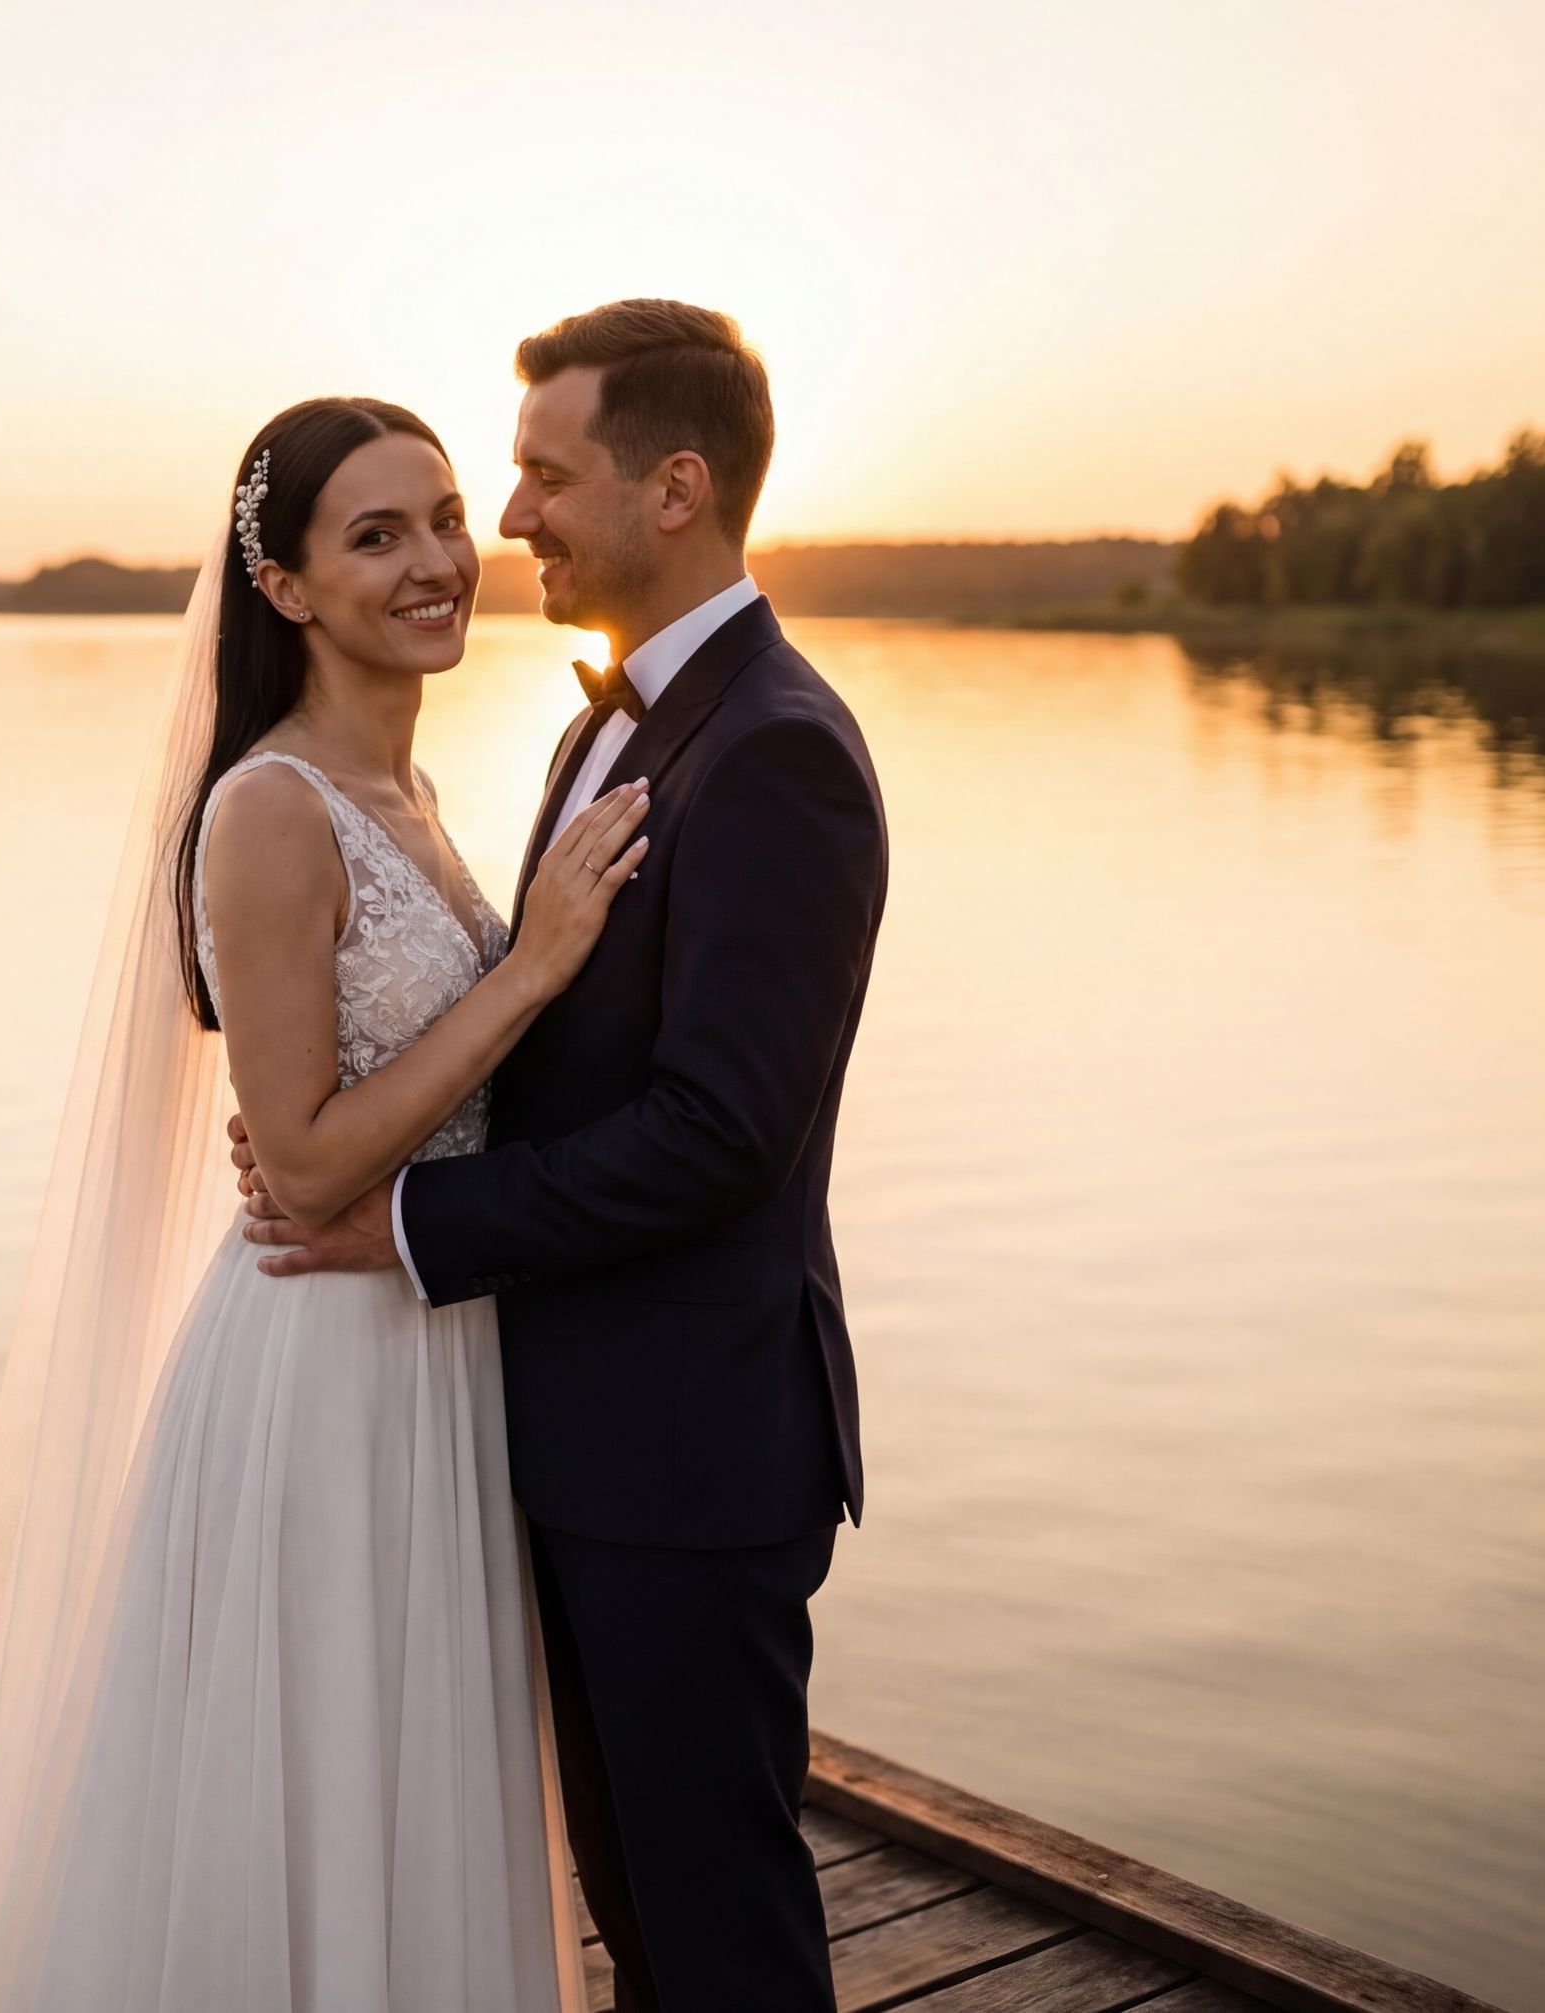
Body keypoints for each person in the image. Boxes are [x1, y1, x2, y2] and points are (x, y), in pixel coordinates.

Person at [0, 392, 651, 2013]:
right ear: (281, 586)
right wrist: (540, 965)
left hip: (439, 1357)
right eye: (377, 535)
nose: (438, 562)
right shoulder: (269, 810)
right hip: (320, 1389)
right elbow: (297, 1156)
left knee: (412, 1787)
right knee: (311, 1790)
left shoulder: (413, 798)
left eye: (442, 517)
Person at [237, 299, 888, 2010]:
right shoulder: (604, 723)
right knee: (640, 1908)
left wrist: (408, 1215)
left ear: (675, 488)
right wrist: (345, 1127)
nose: (505, 520)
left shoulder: (778, 751)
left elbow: (718, 1137)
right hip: (554, 1429)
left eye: (534, 477)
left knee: (718, 1926)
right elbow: (553, 1059)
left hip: (688, 1452)